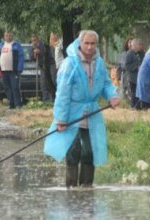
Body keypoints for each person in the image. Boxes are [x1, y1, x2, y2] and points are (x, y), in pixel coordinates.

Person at [44, 30, 120, 188]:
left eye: (93, 43)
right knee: (74, 150)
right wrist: (61, 119)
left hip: (92, 112)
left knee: (90, 150)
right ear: (80, 44)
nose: (90, 47)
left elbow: (106, 83)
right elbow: (63, 93)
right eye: (87, 43)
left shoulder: (98, 63)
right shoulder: (69, 64)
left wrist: (112, 95)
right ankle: (71, 188)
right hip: (72, 113)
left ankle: (86, 188)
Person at [0, 31, 24, 109]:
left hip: (13, 70)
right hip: (3, 70)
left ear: (12, 36)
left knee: (15, 87)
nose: (8, 37)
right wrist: (0, 58)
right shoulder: (1, 45)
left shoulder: (16, 45)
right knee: (6, 87)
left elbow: (21, 57)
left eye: (9, 35)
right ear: (4, 36)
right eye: (6, 35)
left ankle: (18, 104)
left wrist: (20, 68)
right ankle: (11, 103)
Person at [30, 34, 51, 101]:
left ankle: (50, 99)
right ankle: (45, 98)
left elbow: (47, 53)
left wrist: (40, 52)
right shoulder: (33, 46)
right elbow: (31, 58)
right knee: (42, 83)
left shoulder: (43, 45)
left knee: (47, 83)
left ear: (38, 39)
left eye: (35, 40)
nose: (34, 42)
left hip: (47, 66)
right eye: (32, 40)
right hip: (41, 67)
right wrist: (34, 54)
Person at [124, 38, 144, 108]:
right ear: (135, 45)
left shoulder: (141, 53)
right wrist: (137, 66)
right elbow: (127, 66)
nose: (141, 46)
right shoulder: (129, 54)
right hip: (133, 78)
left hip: (140, 77)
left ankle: (139, 107)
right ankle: (134, 107)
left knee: (139, 93)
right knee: (134, 93)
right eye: (139, 45)